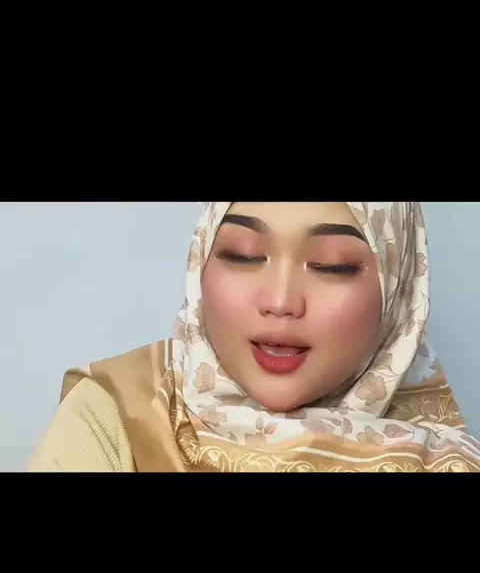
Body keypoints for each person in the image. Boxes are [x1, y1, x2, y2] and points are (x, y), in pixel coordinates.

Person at [29, 200, 480, 473]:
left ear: (397, 291)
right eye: (243, 255)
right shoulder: (120, 414)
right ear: (202, 259)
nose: (280, 301)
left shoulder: (443, 459)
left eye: (332, 265)